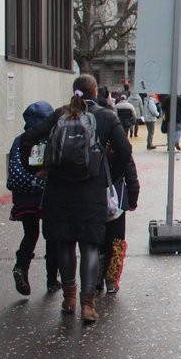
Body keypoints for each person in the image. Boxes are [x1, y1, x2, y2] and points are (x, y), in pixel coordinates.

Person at [19, 74, 131, 323]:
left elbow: (27, 139)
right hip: (90, 190)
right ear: (95, 92)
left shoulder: (60, 114)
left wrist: (39, 169)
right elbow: (124, 151)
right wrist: (107, 173)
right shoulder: (106, 117)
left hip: (58, 190)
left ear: (75, 91)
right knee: (90, 245)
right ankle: (88, 305)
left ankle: (69, 298)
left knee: (65, 242)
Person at [7, 101, 59, 296]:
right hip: (48, 197)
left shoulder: (20, 140)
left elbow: (13, 169)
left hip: (24, 198)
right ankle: (52, 280)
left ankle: (21, 267)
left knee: (30, 234)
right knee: (52, 237)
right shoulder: (51, 139)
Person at [97, 147, 139, 295]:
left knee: (95, 242)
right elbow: (131, 175)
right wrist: (132, 200)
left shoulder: (89, 136)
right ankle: (111, 281)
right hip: (117, 199)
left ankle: (95, 278)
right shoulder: (118, 143)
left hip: (92, 199)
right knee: (116, 242)